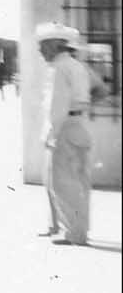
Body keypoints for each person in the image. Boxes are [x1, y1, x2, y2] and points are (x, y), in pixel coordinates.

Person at [36, 22, 94, 246]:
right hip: (79, 124)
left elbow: (56, 106)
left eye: (43, 45)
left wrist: (51, 135)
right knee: (78, 182)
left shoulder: (58, 68)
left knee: (62, 182)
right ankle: (74, 229)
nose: (40, 50)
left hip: (64, 128)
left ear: (55, 45)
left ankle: (73, 233)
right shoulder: (76, 66)